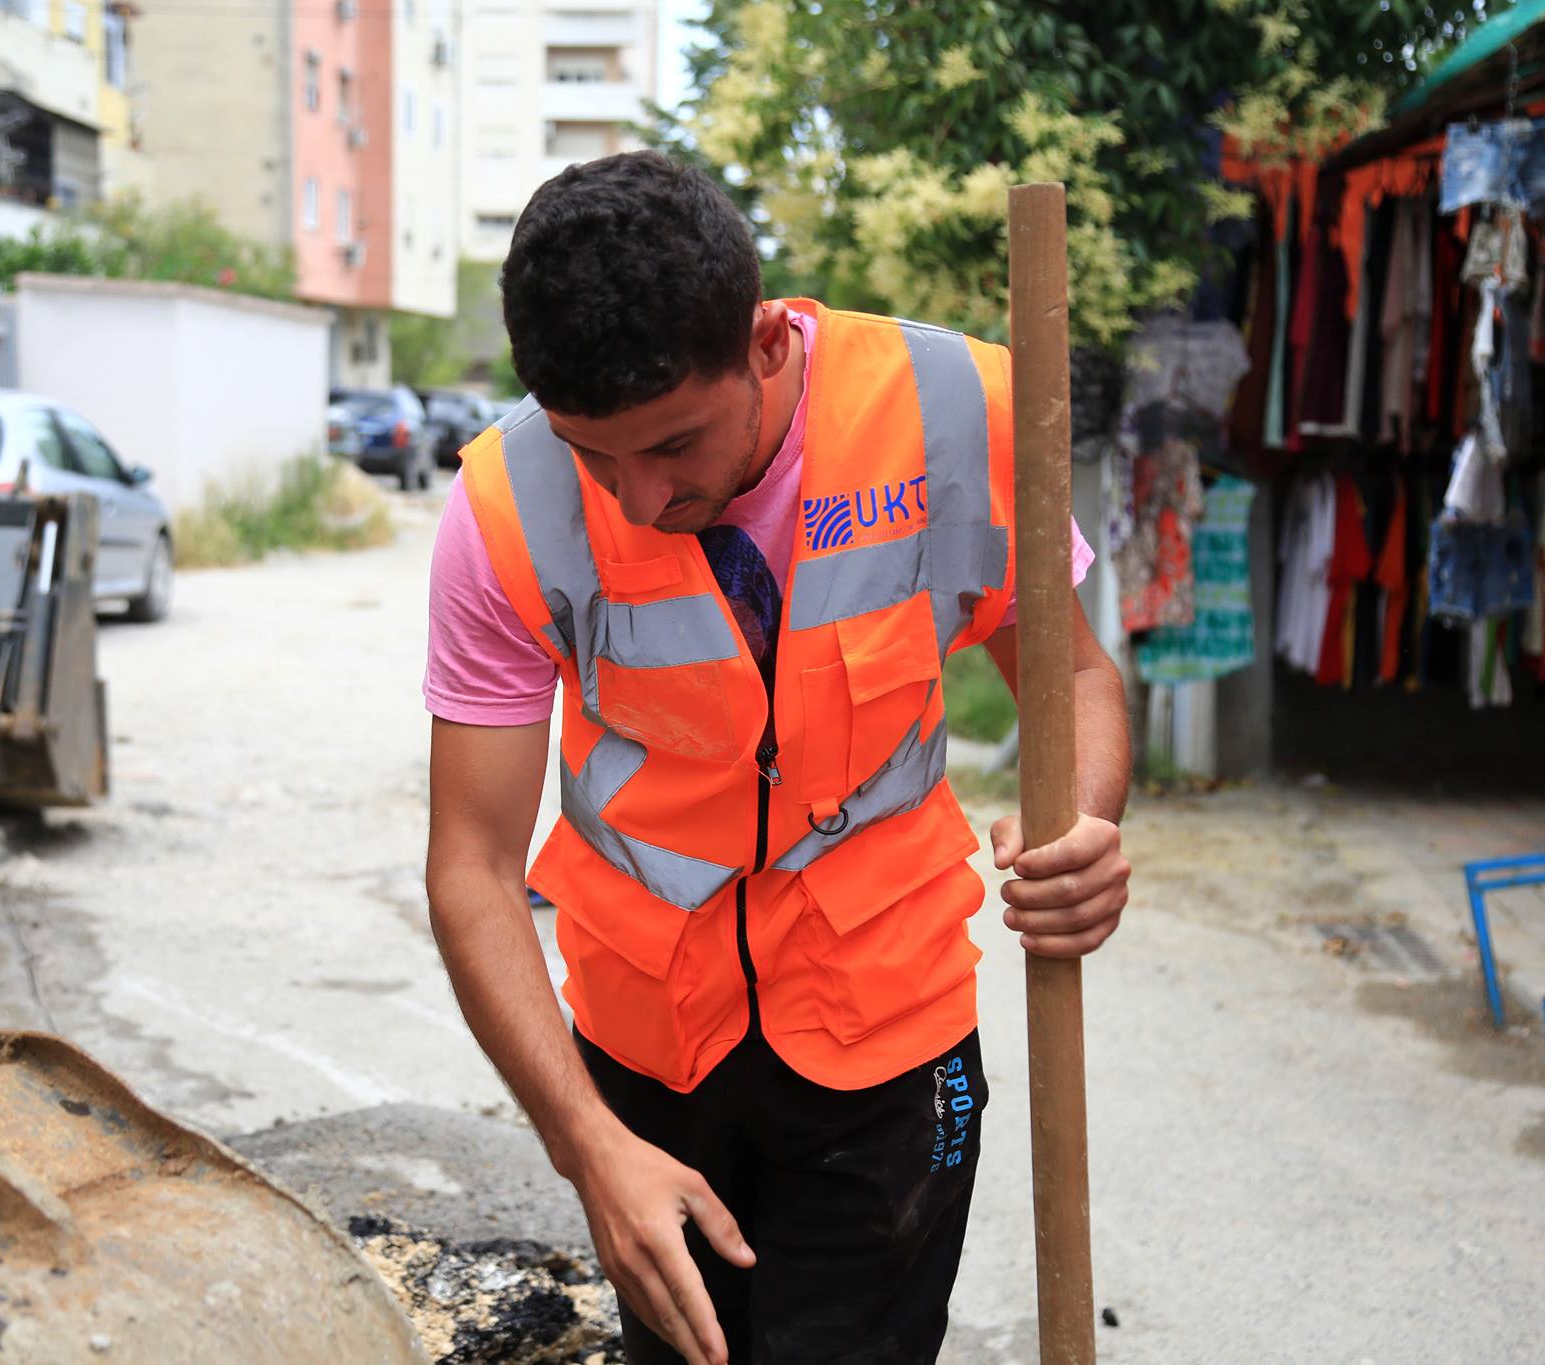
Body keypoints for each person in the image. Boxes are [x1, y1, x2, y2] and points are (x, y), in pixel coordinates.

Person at [424, 152, 1131, 1365]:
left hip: (891, 1034)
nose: (639, 500)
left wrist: (1082, 823)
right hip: (645, 1051)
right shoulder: (502, 505)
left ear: (762, 343)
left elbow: (1073, 681)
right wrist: (588, 1148)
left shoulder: (957, 409)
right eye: (599, 456)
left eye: (675, 446)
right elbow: (472, 866)